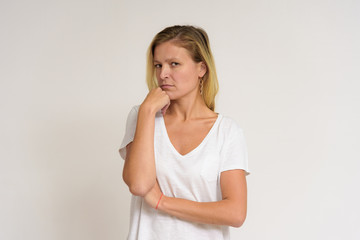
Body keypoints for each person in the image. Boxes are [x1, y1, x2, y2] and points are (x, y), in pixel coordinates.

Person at [119, 25, 249, 240]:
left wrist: (162, 201)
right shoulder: (143, 115)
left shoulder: (226, 132)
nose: (163, 74)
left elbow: (235, 213)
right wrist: (148, 110)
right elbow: (139, 184)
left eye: (174, 64)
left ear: (202, 69)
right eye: (158, 65)